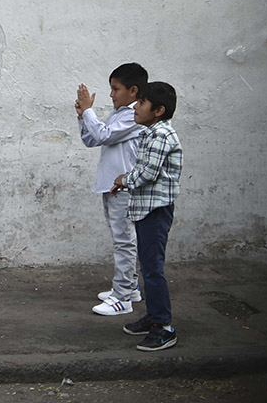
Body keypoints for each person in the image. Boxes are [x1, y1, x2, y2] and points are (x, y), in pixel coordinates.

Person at [111, 82, 183, 351]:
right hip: (146, 210)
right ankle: (154, 317)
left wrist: (123, 179)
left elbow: (147, 174)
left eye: (141, 103)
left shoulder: (161, 135)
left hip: (156, 211)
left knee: (153, 269)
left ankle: (164, 327)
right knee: (149, 266)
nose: (136, 108)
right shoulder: (151, 133)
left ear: (158, 110)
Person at [75, 62, 147, 316]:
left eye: (116, 89)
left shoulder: (132, 116)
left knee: (124, 242)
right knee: (123, 240)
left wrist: (89, 112)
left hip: (124, 189)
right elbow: (92, 139)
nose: (111, 94)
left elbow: (104, 135)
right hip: (112, 186)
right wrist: (83, 116)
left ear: (133, 90)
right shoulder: (120, 114)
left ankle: (122, 297)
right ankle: (131, 288)